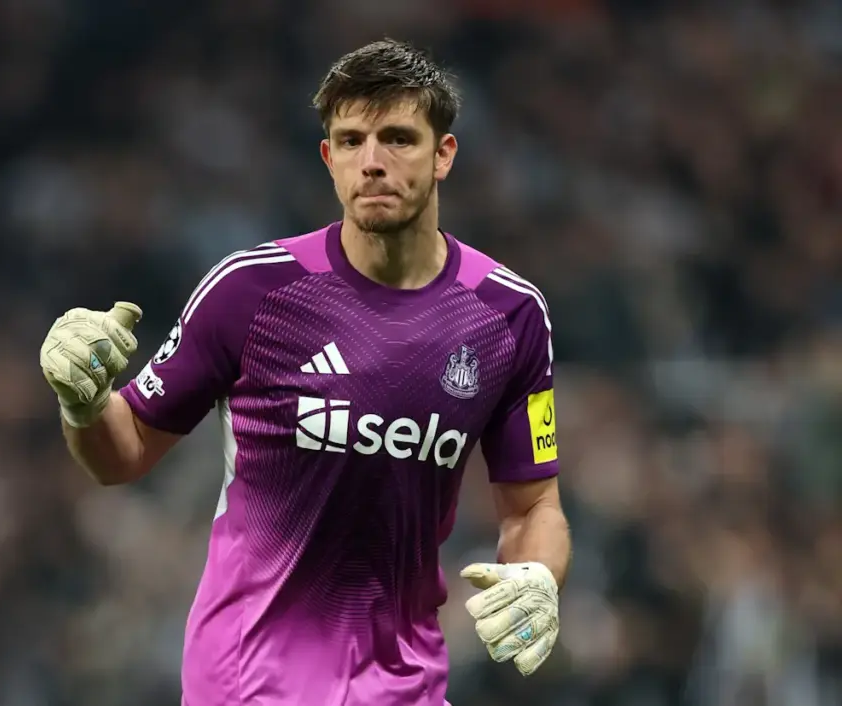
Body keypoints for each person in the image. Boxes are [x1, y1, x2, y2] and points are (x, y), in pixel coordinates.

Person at [40, 38, 571, 706]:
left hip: (406, 685)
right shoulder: (251, 292)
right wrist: (84, 403)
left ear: (445, 155)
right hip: (247, 681)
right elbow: (124, 453)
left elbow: (533, 506)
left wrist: (537, 577)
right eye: (350, 141)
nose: (372, 163)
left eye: (399, 139)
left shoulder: (508, 315)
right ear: (328, 157)